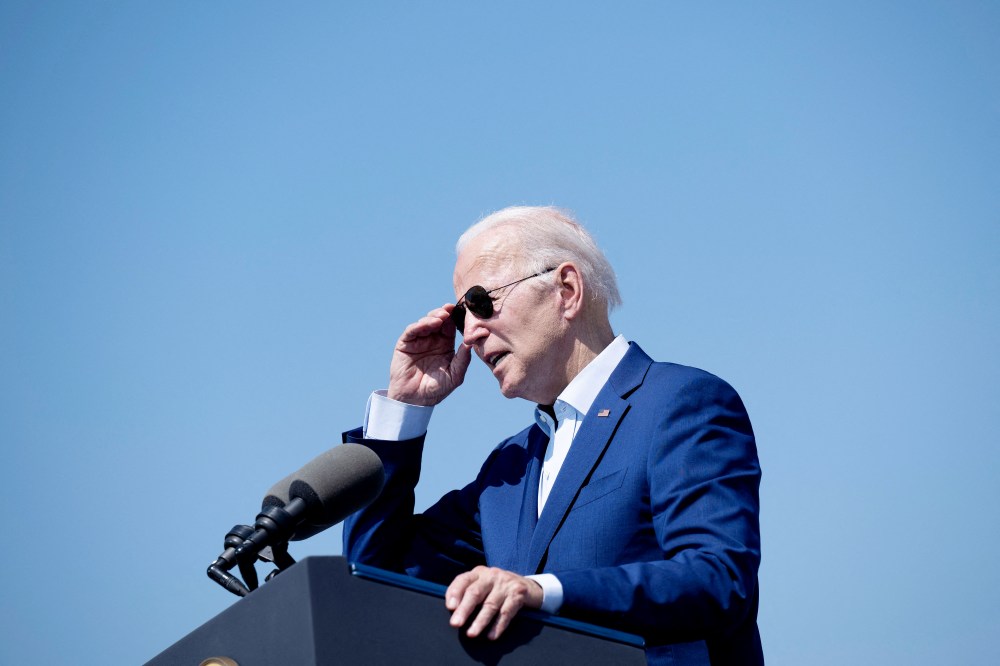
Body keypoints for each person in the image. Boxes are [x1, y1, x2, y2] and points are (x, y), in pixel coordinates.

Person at [342, 206, 763, 665]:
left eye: (480, 302)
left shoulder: (680, 402)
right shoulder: (510, 467)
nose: (471, 334)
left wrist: (541, 593)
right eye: (459, 317)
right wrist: (404, 410)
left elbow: (718, 579)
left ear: (566, 290)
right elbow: (374, 575)